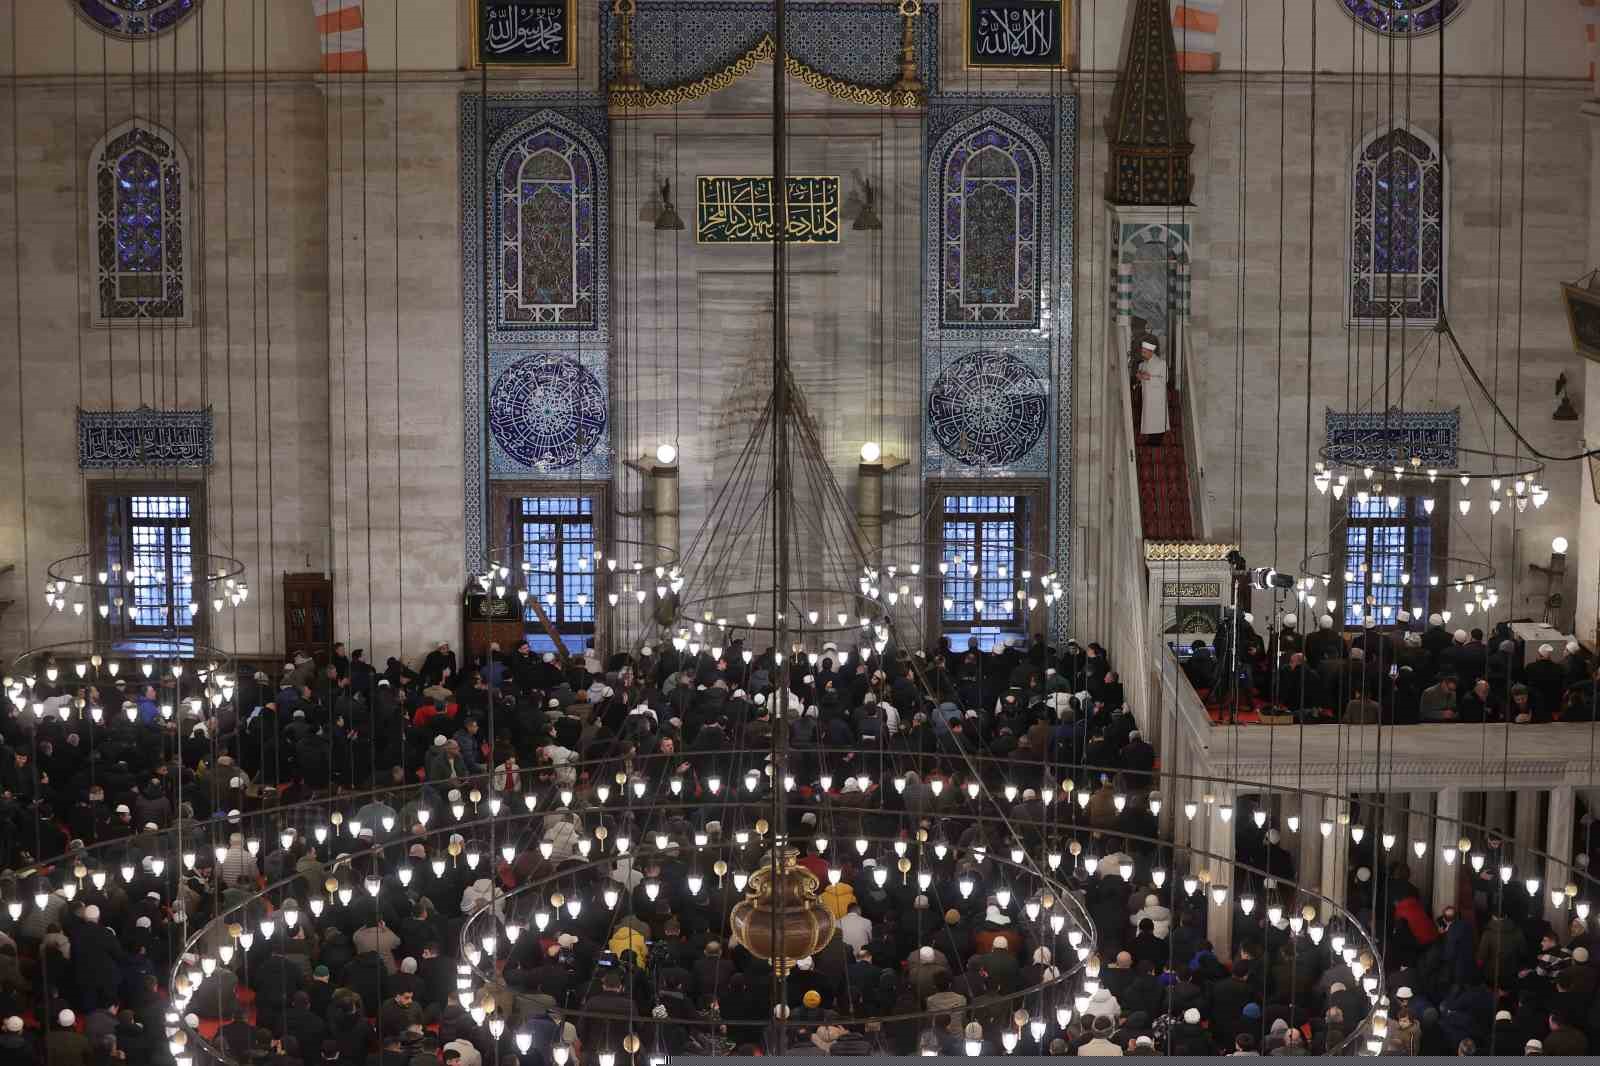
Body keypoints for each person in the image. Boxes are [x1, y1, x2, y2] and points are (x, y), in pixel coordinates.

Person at [1135, 339, 1169, 441]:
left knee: (1157, 420)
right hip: (1147, 396)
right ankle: (1151, 439)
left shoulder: (1161, 363)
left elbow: (1165, 379)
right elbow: (1142, 379)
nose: (1142, 353)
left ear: (1151, 351)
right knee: (1149, 420)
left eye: (1144, 351)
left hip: (1157, 397)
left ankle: (1157, 440)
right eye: (1142, 351)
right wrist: (1139, 377)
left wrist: (1149, 378)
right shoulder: (1142, 364)